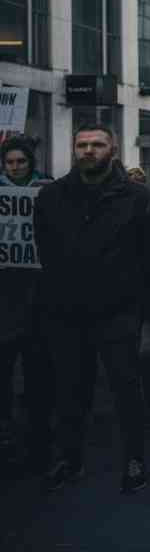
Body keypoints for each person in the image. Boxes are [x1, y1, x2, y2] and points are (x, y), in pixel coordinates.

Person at [33, 124, 150, 493]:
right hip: (67, 311)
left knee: (125, 387)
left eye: (97, 144)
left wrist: (138, 298)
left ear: (113, 149)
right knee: (71, 389)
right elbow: (45, 249)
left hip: (118, 310)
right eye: (82, 144)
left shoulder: (137, 198)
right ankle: (70, 458)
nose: (89, 150)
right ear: (74, 150)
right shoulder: (52, 196)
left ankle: (134, 459)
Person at [0, 136, 54, 475]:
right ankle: (5, 430)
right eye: (10, 163)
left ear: (30, 162)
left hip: (39, 299)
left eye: (21, 162)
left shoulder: (47, 192)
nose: (16, 167)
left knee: (37, 373)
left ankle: (39, 436)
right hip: (4, 299)